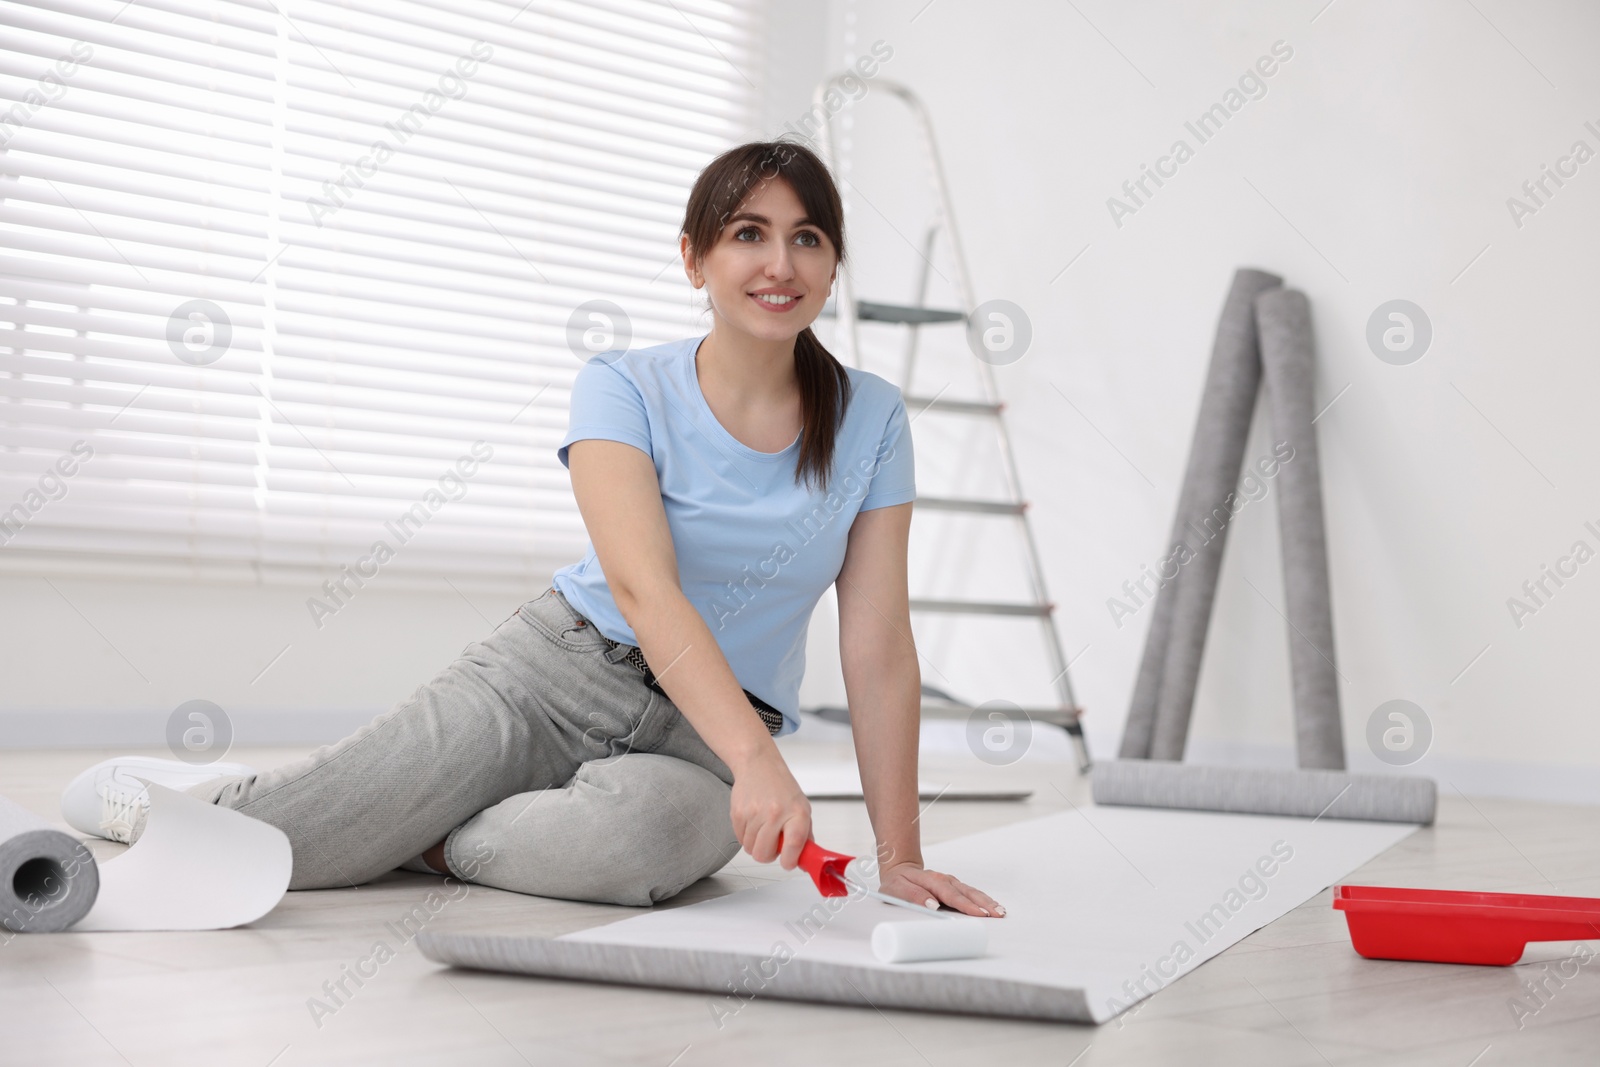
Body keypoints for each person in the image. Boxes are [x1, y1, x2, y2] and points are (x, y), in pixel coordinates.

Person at [60, 140, 1004, 918]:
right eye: (748, 234)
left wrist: (899, 855)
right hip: (555, 674)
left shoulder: (872, 418)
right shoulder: (622, 384)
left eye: (807, 239)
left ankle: (422, 826)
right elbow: (643, 586)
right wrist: (762, 765)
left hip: (706, 739)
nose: (779, 264)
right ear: (694, 258)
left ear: (832, 263)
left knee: (646, 851)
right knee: (281, 850)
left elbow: (877, 645)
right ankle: (172, 797)